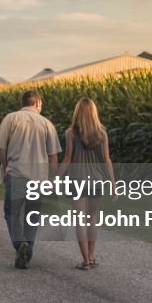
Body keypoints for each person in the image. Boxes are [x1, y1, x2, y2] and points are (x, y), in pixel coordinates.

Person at [0, 90, 61, 269]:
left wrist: (6, 166)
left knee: (12, 213)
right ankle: (27, 251)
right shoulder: (47, 124)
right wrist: (54, 179)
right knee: (32, 217)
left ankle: (20, 243)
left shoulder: (11, 119)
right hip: (38, 178)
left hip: (16, 174)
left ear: (23, 102)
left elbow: (1, 147)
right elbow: (53, 156)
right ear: (37, 103)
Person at [59, 97, 115, 270]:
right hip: (97, 181)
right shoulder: (102, 134)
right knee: (92, 218)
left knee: (80, 219)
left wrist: (56, 178)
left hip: (77, 180)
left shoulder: (71, 133)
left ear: (77, 113)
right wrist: (113, 184)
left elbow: (67, 158)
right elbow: (107, 160)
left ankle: (85, 260)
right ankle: (92, 255)